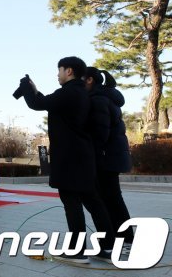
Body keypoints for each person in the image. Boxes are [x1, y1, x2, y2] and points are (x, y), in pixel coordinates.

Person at [17, 57, 115, 263]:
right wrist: (34, 90)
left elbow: (37, 104)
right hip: (84, 156)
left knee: (72, 202)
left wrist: (26, 87)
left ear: (68, 71)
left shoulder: (68, 93)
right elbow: (48, 102)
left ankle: (77, 251)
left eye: (59, 70)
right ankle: (107, 247)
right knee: (93, 202)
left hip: (69, 157)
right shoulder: (81, 93)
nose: (58, 74)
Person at [83, 66, 134, 248]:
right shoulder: (107, 97)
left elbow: (100, 133)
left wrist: (92, 155)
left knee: (109, 198)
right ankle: (125, 236)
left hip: (105, 158)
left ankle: (122, 238)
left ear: (89, 80)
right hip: (112, 156)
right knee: (113, 198)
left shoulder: (98, 100)